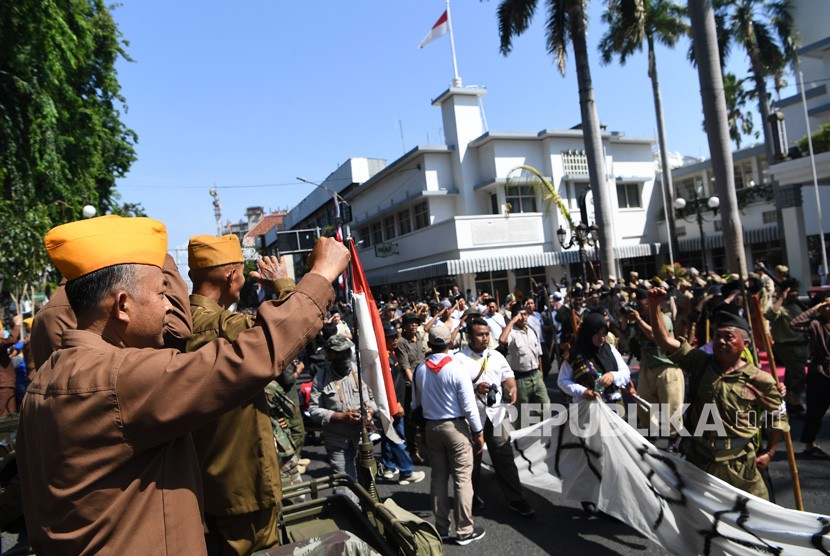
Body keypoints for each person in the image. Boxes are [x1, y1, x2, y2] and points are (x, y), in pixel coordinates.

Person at [17, 215, 348, 553]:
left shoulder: (46, 379)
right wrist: (320, 276)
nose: (169, 307)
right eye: (162, 294)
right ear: (122, 305)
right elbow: (249, 357)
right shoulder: (120, 379)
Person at [185, 234, 296, 555]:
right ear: (230, 275)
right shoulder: (224, 326)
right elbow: (290, 331)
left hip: (202, 477)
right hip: (242, 483)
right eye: (241, 272)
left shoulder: (175, 326)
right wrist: (283, 284)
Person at [648, 287, 789, 500]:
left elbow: (778, 417)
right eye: (718, 336)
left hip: (741, 466)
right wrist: (654, 306)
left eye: (729, 337)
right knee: (698, 519)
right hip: (702, 462)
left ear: (745, 344)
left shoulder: (760, 379)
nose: (721, 341)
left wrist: (770, 452)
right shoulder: (700, 362)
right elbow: (665, 341)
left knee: (755, 519)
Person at [412, 326, 485, 546]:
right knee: (462, 479)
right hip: (455, 427)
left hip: (431, 427)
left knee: (438, 478)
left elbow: (415, 404)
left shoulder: (421, 369)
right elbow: (469, 406)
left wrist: (423, 430)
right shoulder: (456, 368)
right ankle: (464, 530)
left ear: (429, 344)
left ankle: (441, 528)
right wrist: (478, 432)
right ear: (449, 343)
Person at [454, 318, 534, 517]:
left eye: (487, 334)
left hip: (497, 414)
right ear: (469, 337)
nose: (485, 338)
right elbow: (454, 389)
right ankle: (470, 497)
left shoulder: (496, 356)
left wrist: (512, 387)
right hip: (472, 419)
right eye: (480, 334)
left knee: (504, 456)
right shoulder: (458, 359)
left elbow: (507, 375)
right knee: (472, 460)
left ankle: (516, 499)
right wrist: (475, 389)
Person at [308, 335, 378, 482]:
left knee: (368, 480)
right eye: (338, 352)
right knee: (346, 482)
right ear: (329, 354)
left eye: (346, 352)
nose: (343, 356)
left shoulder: (360, 371)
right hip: (337, 439)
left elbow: (373, 400)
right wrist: (341, 416)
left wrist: (369, 413)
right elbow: (314, 410)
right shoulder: (321, 377)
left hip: (362, 438)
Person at [621, 289, 684, 450]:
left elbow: (656, 336)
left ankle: (674, 440)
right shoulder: (638, 321)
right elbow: (624, 341)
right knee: (644, 406)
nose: (639, 309)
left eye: (641, 305)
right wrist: (624, 322)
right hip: (647, 369)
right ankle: (651, 438)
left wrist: (639, 320)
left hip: (667, 368)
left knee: (671, 409)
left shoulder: (663, 319)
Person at [378, 324, 425, 484]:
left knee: (388, 435)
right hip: (392, 404)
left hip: (393, 403)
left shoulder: (391, 354)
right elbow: (388, 384)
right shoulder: (385, 359)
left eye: (396, 337)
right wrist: (396, 403)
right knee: (397, 437)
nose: (396, 340)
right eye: (392, 338)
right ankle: (406, 472)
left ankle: (389, 466)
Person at [790, 292, 830, 458]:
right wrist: (817, 307)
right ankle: (810, 445)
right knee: (815, 411)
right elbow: (794, 324)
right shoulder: (815, 324)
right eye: (827, 305)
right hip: (820, 372)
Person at [764, 278, 808, 419]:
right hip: (787, 347)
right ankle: (796, 404)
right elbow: (769, 315)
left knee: (791, 377)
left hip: (800, 346)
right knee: (799, 376)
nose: (794, 294)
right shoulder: (780, 307)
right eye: (791, 291)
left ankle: (788, 403)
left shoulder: (797, 306)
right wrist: (781, 297)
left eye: (796, 291)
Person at [499, 308, 549, 418]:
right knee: (522, 415)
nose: (523, 317)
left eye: (525, 314)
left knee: (546, 408)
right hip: (521, 380)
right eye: (520, 315)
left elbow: (538, 355)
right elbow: (502, 340)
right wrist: (512, 321)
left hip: (536, 376)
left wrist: (541, 374)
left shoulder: (532, 332)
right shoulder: (512, 333)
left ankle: (541, 432)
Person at [398, 312, 427, 463]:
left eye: (416, 322)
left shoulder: (419, 338)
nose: (414, 324)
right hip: (411, 384)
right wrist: (416, 385)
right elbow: (406, 366)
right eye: (410, 323)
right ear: (404, 326)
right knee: (411, 419)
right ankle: (413, 450)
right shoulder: (402, 342)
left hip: (423, 380)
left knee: (425, 415)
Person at [0, 315, 21, 415]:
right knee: (6, 414)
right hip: (4, 384)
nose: (3, 332)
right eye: (1, 330)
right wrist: (16, 325)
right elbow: (12, 340)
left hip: (5, 383)